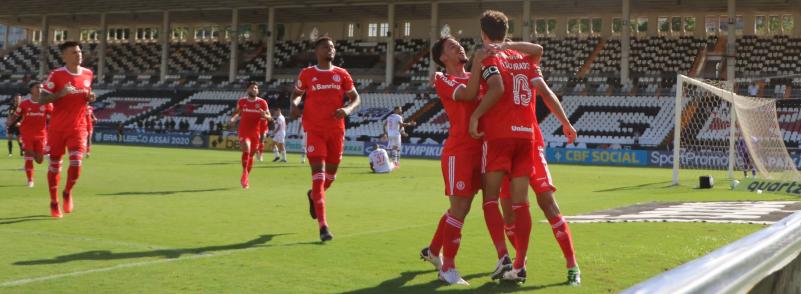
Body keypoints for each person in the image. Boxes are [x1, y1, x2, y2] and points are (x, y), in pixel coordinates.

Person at [420, 36, 498, 285]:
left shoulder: (477, 75)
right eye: (452, 47)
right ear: (443, 58)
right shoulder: (444, 79)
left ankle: (433, 251)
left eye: (459, 45)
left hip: (482, 150)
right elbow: (468, 95)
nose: (460, 47)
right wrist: (478, 64)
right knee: (460, 209)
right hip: (459, 152)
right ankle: (448, 268)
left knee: (461, 208)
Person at [290, 36, 361, 242]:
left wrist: (347, 109)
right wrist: (295, 105)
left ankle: (313, 196)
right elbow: (296, 94)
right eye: (324, 47)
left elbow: (356, 98)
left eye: (332, 46)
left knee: (329, 177)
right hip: (315, 130)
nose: (329, 49)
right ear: (316, 52)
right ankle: (323, 226)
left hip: (336, 131)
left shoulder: (341, 74)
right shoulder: (308, 74)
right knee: (319, 177)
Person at [37, 40, 98, 218]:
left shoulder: (88, 73)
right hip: (57, 128)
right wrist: (61, 94)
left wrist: (90, 97)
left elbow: (85, 95)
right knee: (55, 166)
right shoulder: (56, 75)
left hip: (78, 127)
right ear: (64, 56)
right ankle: (54, 201)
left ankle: (67, 192)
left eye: (79, 52)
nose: (78, 55)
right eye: (73, 52)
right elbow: (42, 100)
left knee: (76, 164)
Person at [229, 82, 270, 189]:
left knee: (251, 155)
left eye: (256, 88)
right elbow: (237, 112)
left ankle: (245, 174)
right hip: (244, 130)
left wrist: (264, 115)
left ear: (258, 90)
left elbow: (270, 118)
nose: (254, 89)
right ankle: (245, 175)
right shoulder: (242, 101)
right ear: (248, 90)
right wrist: (233, 118)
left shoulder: (262, 102)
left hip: (255, 133)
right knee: (246, 149)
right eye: (252, 87)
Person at [12, 82, 53, 188]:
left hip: (41, 135)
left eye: (41, 88)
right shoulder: (24, 104)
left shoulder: (47, 104)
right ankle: (30, 180)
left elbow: (52, 118)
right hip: (27, 135)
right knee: (28, 157)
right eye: (37, 87)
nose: (40, 89)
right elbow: (16, 115)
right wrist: (14, 122)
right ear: (31, 90)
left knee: (39, 161)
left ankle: (45, 155)